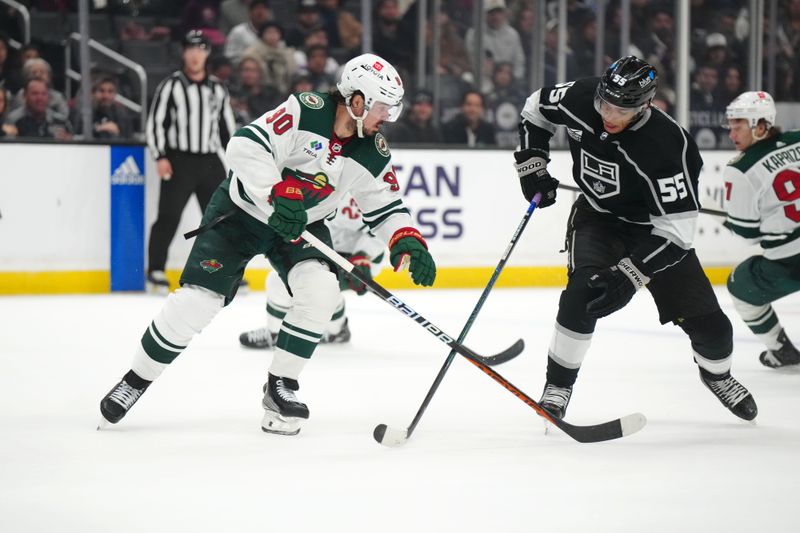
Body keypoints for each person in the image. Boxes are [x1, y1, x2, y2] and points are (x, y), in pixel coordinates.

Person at [99, 53, 436, 436]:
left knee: (321, 290)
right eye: (381, 108)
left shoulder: (372, 150)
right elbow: (244, 146)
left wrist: (406, 239)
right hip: (240, 213)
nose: (386, 118)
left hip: (300, 229)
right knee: (197, 301)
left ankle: (281, 388)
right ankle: (135, 381)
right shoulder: (305, 110)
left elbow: (386, 204)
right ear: (356, 101)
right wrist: (277, 190)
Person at [514, 56, 757, 422]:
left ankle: (717, 375)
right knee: (582, 294)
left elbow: (675, 234)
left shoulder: (669, 147)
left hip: (654, 233)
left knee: (714, 329)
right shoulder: (581, 96)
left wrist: (631, 274)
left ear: (645, 105)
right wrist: (532, 162)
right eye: (604, 104)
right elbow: (536, 107)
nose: (609, 115)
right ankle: (559, 386)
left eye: (621, 110)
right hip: (597, 217)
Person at [145, 30, 236, 293]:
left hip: (209, 161)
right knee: (168, 216)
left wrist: (236, 160)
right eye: (191, 49)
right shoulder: (171, 85)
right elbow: (156, 124)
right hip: (179, 159)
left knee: (222, 219)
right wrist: (160, 156)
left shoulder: (218, 88)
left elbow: (226, 128)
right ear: (184, 53)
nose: (196, 55)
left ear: (207, 53)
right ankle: (157, 270)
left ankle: (226, 270)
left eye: (201, 49)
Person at [239, 192, 386, 349]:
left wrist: (363, 255)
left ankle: (332, 330)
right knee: (282, 281)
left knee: (293, 283)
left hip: (354, 259)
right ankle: (333, 330)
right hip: (319, 248)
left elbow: (380, 227)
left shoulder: (364, 187)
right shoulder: (314, 180)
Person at [721, 91, 800, 368]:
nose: (731, 133)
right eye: (730, 125)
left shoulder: (740, 169)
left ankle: (781, 350)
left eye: (738, 125)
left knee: (740, 285)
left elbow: (748, 235)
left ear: (761, 125)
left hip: (789, 260)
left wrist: (729, 221)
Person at [70, 76, 136, 140]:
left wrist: (117, 133)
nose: (106, 96)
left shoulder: (123, 116)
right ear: (93, 93)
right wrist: (100, 128)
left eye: (110, 91)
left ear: (115, 94)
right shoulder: (84, 114)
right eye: (101, 91)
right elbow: (76, 139)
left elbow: (130, 142)